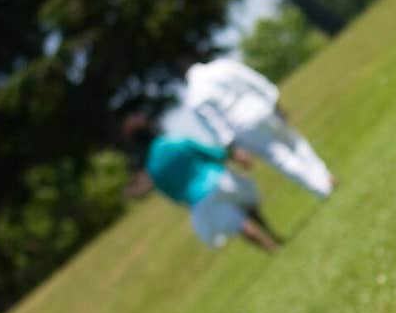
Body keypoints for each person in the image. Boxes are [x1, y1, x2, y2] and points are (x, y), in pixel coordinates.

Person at [163, 56, 337, 200]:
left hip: (242, 127)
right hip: (260, 108)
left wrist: (234, 150)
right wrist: (275, 101)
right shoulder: (222, 66)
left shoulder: (194, 96)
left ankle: (321, 188)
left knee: (281, 159)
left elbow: (217, 127)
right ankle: (324, 175)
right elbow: (254, 80)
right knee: (295, 141)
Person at [121, 113, 283, 253]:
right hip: (220, 179)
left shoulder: (152, 168)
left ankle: (271, 248)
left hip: (198, 199)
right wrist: (232, 156)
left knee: (238, 224)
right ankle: (273, 234)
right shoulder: (176, 141)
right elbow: (211, 153)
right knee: (248, 207)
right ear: (150, 128)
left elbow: (174, 196)